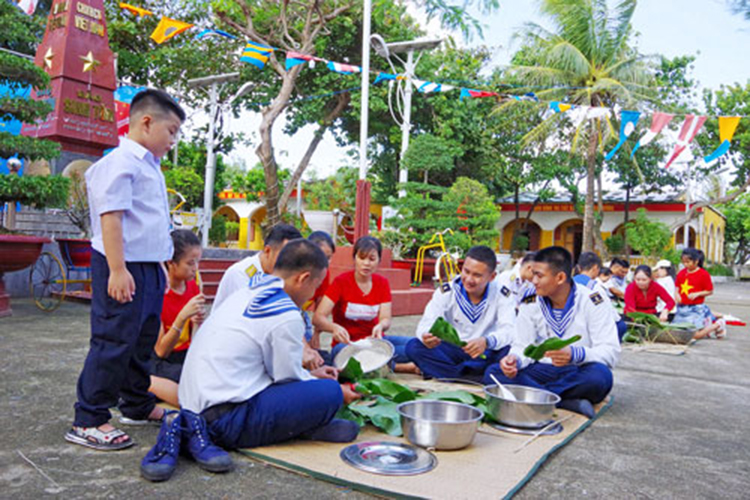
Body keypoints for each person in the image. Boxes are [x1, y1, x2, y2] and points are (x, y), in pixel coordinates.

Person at [65, 89, 186, 451]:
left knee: (143, 339)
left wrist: (159, 266)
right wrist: (118, 270)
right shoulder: (120, 162)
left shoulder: (149, 164)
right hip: (121, 263)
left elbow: (150, 222)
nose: (173, 139)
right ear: (146, 122)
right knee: (114, 339)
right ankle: (89, 418)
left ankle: (135, 404)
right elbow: (111, 218)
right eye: (172, 130)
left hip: (147, 265)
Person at [178, 239, 361, 451]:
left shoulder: (250, 290)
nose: (313, 294)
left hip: (193, 407)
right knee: (330, 392)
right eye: (316, 286)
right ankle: (304, 426)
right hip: (223, 421)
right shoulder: (286, 313)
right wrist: (339, 392)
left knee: (317, 387)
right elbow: (287, 380)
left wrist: (312, 375)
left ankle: (302, 427)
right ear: (303, 279)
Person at [485, 246, 620, 418]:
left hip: (577, 370)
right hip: (541, 369)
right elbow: (522, 345)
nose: (533, 280)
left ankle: (539, 396)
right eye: (533, 274)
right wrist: (515, 360)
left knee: (601, 377)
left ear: (560, 277)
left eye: (539, 276)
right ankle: (565, 401)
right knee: (493, 373)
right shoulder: (530, 302)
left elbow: (610, 352)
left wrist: (575, 354)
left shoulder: (593, 301)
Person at [405, 246, 515, 382]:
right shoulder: (447, 292)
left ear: (492, 277)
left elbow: (508, 330)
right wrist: (427, 336)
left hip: (486, 352)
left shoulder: (502, 295)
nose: (469, 279)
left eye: (477, 275)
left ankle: (452, 374)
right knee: (414, 347)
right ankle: (473, 377)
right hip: (453, 350)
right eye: (466, 271)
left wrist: (487, 341)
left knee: (508, 351)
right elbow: (426, 323)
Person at [313, 236, 417, 373]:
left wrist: (381, 326)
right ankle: (398, 367)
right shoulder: (341, 282)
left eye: (372, 259)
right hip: (347, 345)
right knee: (345, 357)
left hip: (375, 343)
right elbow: (318, 317)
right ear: (354, 258)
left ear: (379, 260)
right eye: (362, 258)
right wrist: (334, 328)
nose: (366, 263)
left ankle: (385, 364)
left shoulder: (382, 283)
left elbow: (386, 318)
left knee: (415, 345)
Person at [149, 230, 205, 407]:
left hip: (185, 356)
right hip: (162, 360)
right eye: (190, 263)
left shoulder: (192, 287)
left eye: (197, 262)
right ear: (171, 262)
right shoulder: (158, 294)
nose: (195, 268)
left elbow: (193, 338)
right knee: (188, 381)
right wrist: (182, 318)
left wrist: (198, 322)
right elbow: (160, 352)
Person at [212, 224, 302, 309]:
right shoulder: (241, 274)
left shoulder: (282, 277)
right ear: (267, 251)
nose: (290, 265)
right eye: (285, 258)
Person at [672, 248, 725, 339]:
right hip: (682, 307)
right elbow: (677, 288)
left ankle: (717, 325)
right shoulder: (681, 273)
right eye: (683, 262)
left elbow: (710, 291)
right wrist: (677, 295)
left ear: (696, 261)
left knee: (694, 335)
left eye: (688, 262)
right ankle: (707, 325)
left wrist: (697, 294)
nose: (685, 264)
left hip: (696, 308)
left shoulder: (703, 274)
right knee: (676, 331)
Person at [574, 252, 626, 341]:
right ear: (595, 268)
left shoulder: (568, 284)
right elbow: (604, 310)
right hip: (594, 326)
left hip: (574, 324)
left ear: (579, 268)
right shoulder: (594, 287)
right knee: (621, 326)